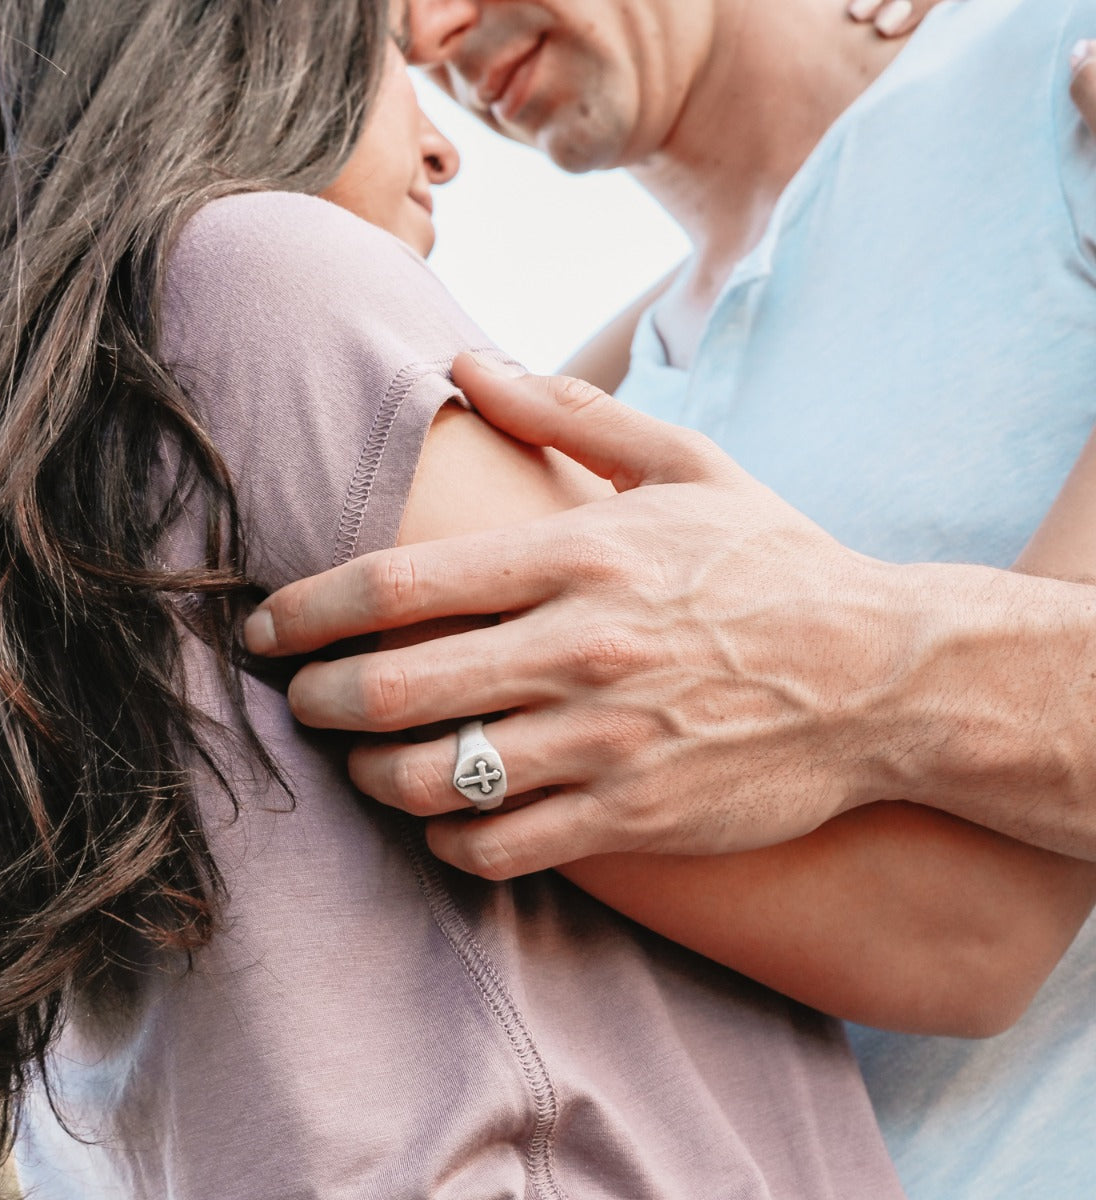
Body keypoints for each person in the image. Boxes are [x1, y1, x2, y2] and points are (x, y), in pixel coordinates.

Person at [0, 3, 909, 1197]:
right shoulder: (252, 271)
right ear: (241, 44)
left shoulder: (7, 494)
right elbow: (958, 931)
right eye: (384, 56)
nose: (444, 148)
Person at [245, 0, 1096, 1194]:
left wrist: (851, 657)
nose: (433, 32)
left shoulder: (1046, 67)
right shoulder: (600, 398)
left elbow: (980, 931)